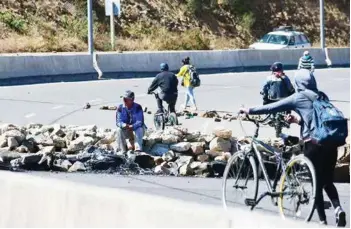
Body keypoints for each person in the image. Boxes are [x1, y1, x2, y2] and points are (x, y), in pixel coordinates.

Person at [239, 69, 347, 227]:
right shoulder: (321, 95)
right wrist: (297, 121)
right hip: (330, 143)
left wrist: (249, 110)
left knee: (315, 183)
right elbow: (316, 121)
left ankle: (323, 222)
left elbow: (273, 107)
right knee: (327, 181)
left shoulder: (299, 97)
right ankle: (338, 209)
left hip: (313, 145)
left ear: (298, 83)